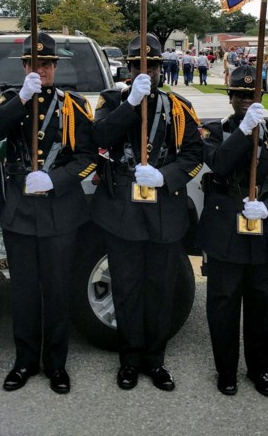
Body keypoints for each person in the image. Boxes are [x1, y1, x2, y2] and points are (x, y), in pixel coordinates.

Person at [0, 33, 97, 395]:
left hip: (60, 209)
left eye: (47, 64)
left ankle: (56, 364)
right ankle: (24, 361)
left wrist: (54, 180)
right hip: (19, 208)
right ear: (24, 67)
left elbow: (87, 157)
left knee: (57, 289)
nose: (42, 69)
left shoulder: (73, 105)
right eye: (34, 63)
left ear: (55, 67)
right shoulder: (9, 100)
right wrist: (22, 98)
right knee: (24, 292)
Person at [91, 34, 204, 392]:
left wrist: (165, 176)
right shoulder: (112, 100)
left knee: (160, 288)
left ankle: (155, 361)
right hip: (121, 207)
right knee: (126, 287)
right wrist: (131, 103)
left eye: (152, 65)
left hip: (164, 210)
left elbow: (193, 155)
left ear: (159, 68)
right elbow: (100, 138)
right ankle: (129, 360)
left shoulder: (179, 107)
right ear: (127, 67)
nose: (146, 71)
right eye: (138, 65)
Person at [199, 65, 268, 398]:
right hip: (225, 228)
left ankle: (260, 370)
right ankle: (226, 370)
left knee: (262, 305)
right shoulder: (215, 132)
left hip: (265, 229)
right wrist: (244, 133)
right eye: (239, 96)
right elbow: (218, 164)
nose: (246, 101)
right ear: (230, 98)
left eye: (252, 96)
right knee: (223, 303)